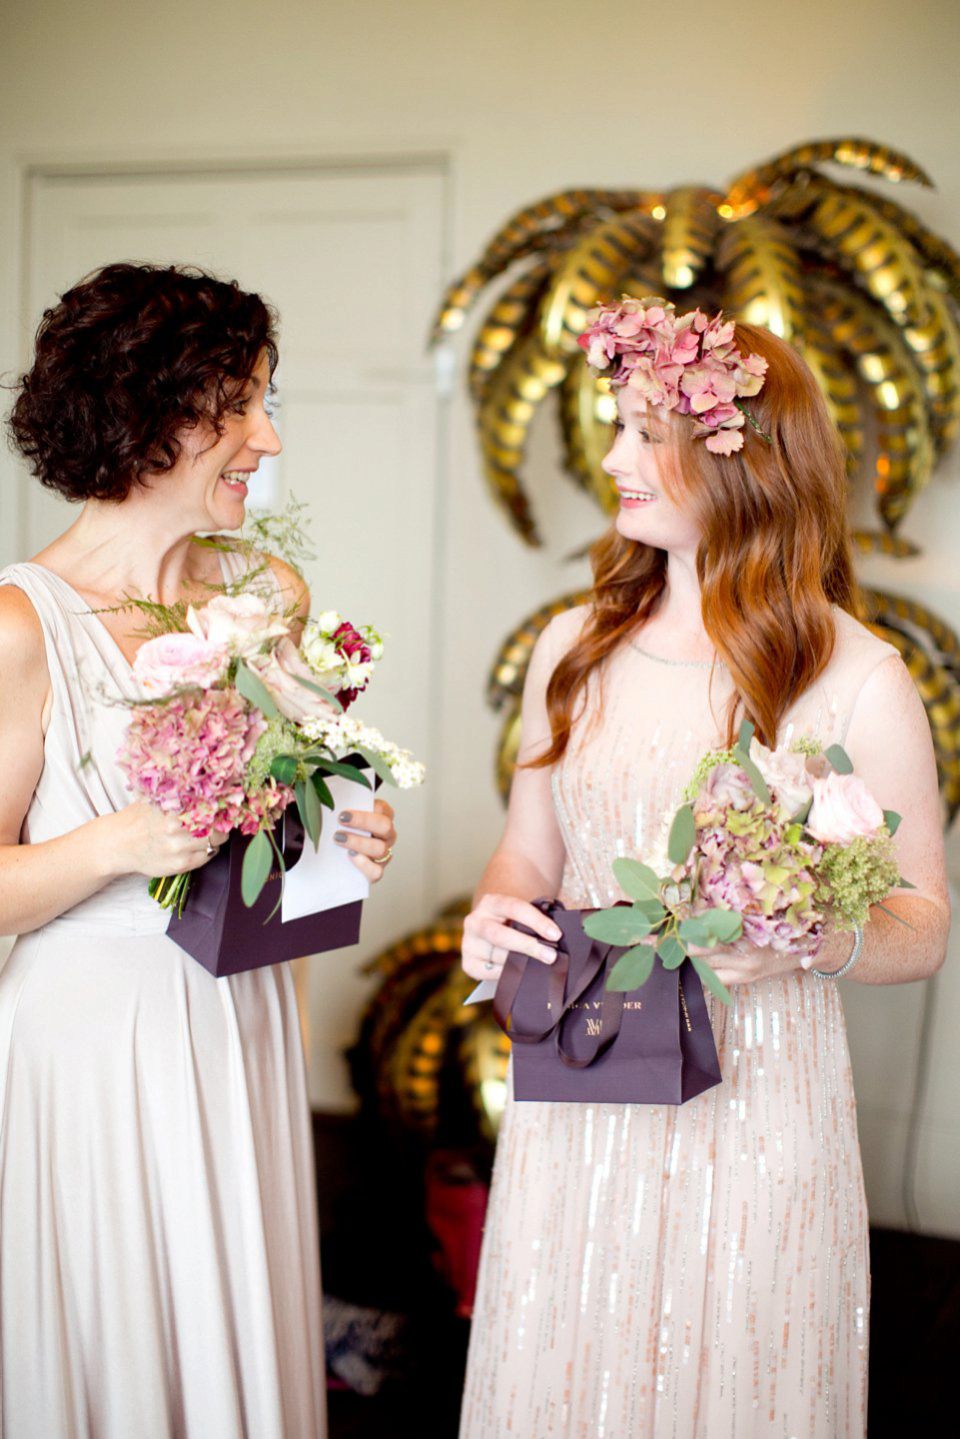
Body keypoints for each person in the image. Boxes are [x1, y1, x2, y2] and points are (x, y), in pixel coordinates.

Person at [458, 299, 948, 1438]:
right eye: (617, 426)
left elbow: (924, 923)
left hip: (759, 1103)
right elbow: (531, 846)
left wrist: (811, 937)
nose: (614, 458)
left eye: (644, 432)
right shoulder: (571, 647)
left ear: (743, 462)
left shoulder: (857, 676)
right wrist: (498, 907)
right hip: (579, 1087)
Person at [0, 263, 397, 1438]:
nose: (267, 440)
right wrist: (123, 839)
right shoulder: (22, 626)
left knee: (239, 1318)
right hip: (97, 1047)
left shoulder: (267, 591)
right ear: (157, 410)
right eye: (247, 405)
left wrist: (349, 827)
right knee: (119, 1336)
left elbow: (299, 795)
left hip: (245, 1012)